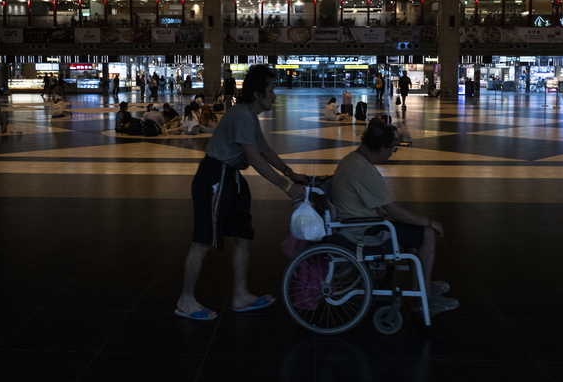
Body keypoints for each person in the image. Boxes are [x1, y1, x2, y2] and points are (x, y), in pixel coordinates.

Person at [176, 64, 308, 321]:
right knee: (203, 242)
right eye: (271, 90)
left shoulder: (249, 115)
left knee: (244, 235)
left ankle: (240, 295)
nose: (275, 95)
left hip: (231, 178)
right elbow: (255, 159)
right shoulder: (241, 116)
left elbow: (265, 150)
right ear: (258, 94)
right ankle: (185, 300)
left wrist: (289, 172)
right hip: (214, 177)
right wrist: (288, 187)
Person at [332, 118, 459, 317]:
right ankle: (424, 296)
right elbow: (395, 212)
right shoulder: (364, 171)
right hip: (362, 230)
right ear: (381, 149)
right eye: (392, 148)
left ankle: (420, 284)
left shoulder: (351, 160)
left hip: (357, 222)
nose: (393, 152)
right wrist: (430, 222)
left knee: (410, 233)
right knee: (426, 234)